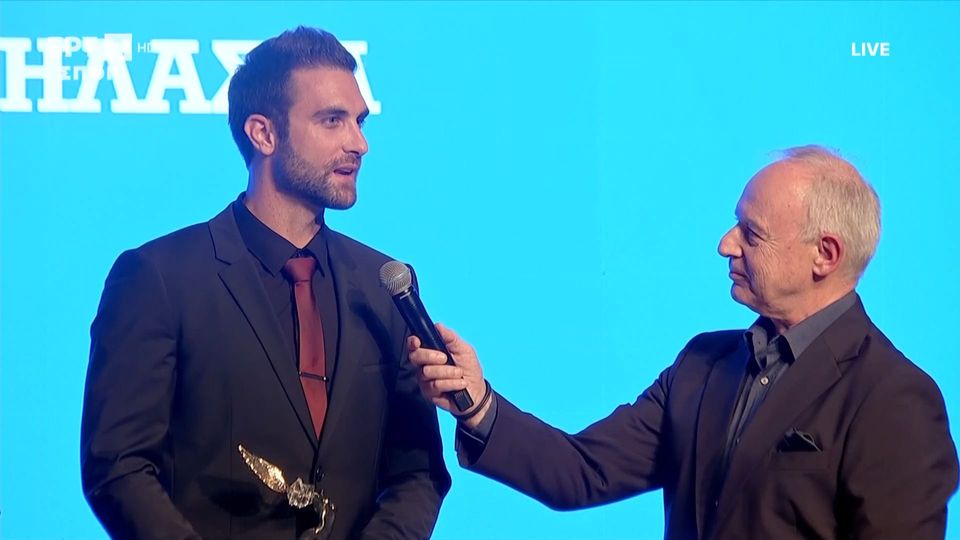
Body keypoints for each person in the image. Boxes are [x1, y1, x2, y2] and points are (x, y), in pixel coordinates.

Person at [409, 146, 959, 539]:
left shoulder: (894, 399)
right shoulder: (704, 363)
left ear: (825, 255)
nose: (725, 244)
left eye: (751, 233)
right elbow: (583, 471)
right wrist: (477, 405)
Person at [81, 27, 450, 540]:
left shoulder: (385, 285)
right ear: (263, 134)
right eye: (332, 121)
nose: (359, 144)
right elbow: (119, 467)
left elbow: (418, 472)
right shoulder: (159, 278)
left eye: (360, 121)